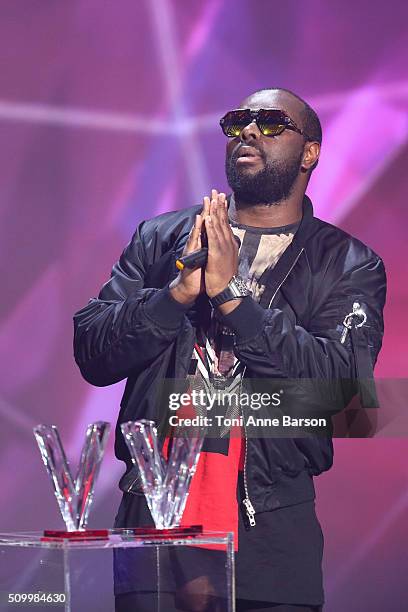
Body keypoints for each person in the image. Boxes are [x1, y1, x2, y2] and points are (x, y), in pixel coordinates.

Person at [73, 87, 386, 612]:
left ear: (309, 152)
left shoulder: (348, 263)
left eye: (269, 123)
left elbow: (339, 390)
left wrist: (232, 299)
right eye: (238, 120)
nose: (247, 131)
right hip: (151, 518)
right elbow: (93, 350)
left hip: (268, 524)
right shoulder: (162, 239)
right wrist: (176, 296)